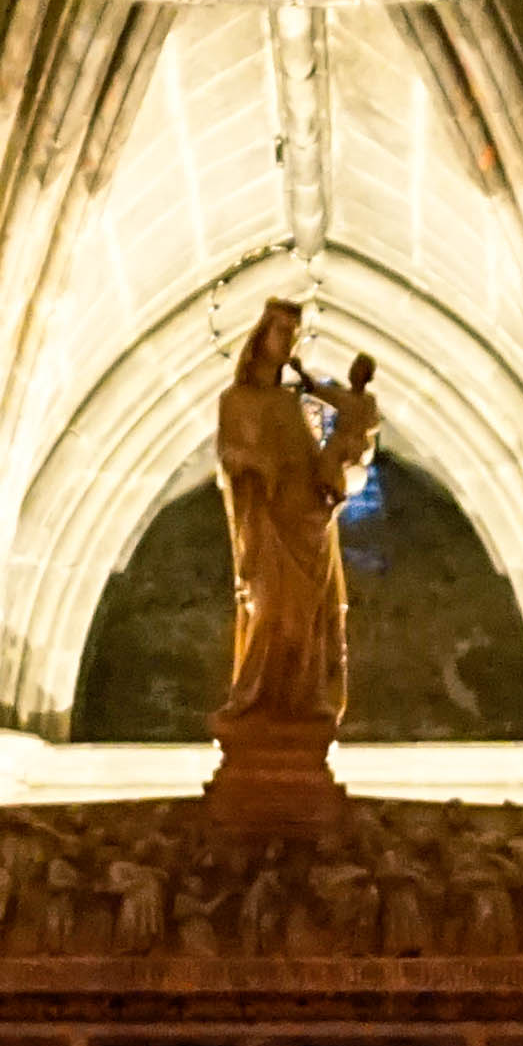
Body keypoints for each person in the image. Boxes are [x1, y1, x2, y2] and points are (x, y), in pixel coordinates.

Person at [215, 297, 379, 732]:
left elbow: (310, 458)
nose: (288, 341)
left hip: (306, 522)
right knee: (271, 611)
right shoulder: (236, 399)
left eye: (293, 334)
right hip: (267, 520)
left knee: (311, 617)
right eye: (281, 331)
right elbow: (230, 453)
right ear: (261, 337)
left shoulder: (291, 403)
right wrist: (260, 463)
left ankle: (306, 699)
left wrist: (333, 470)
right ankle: (256, 698)